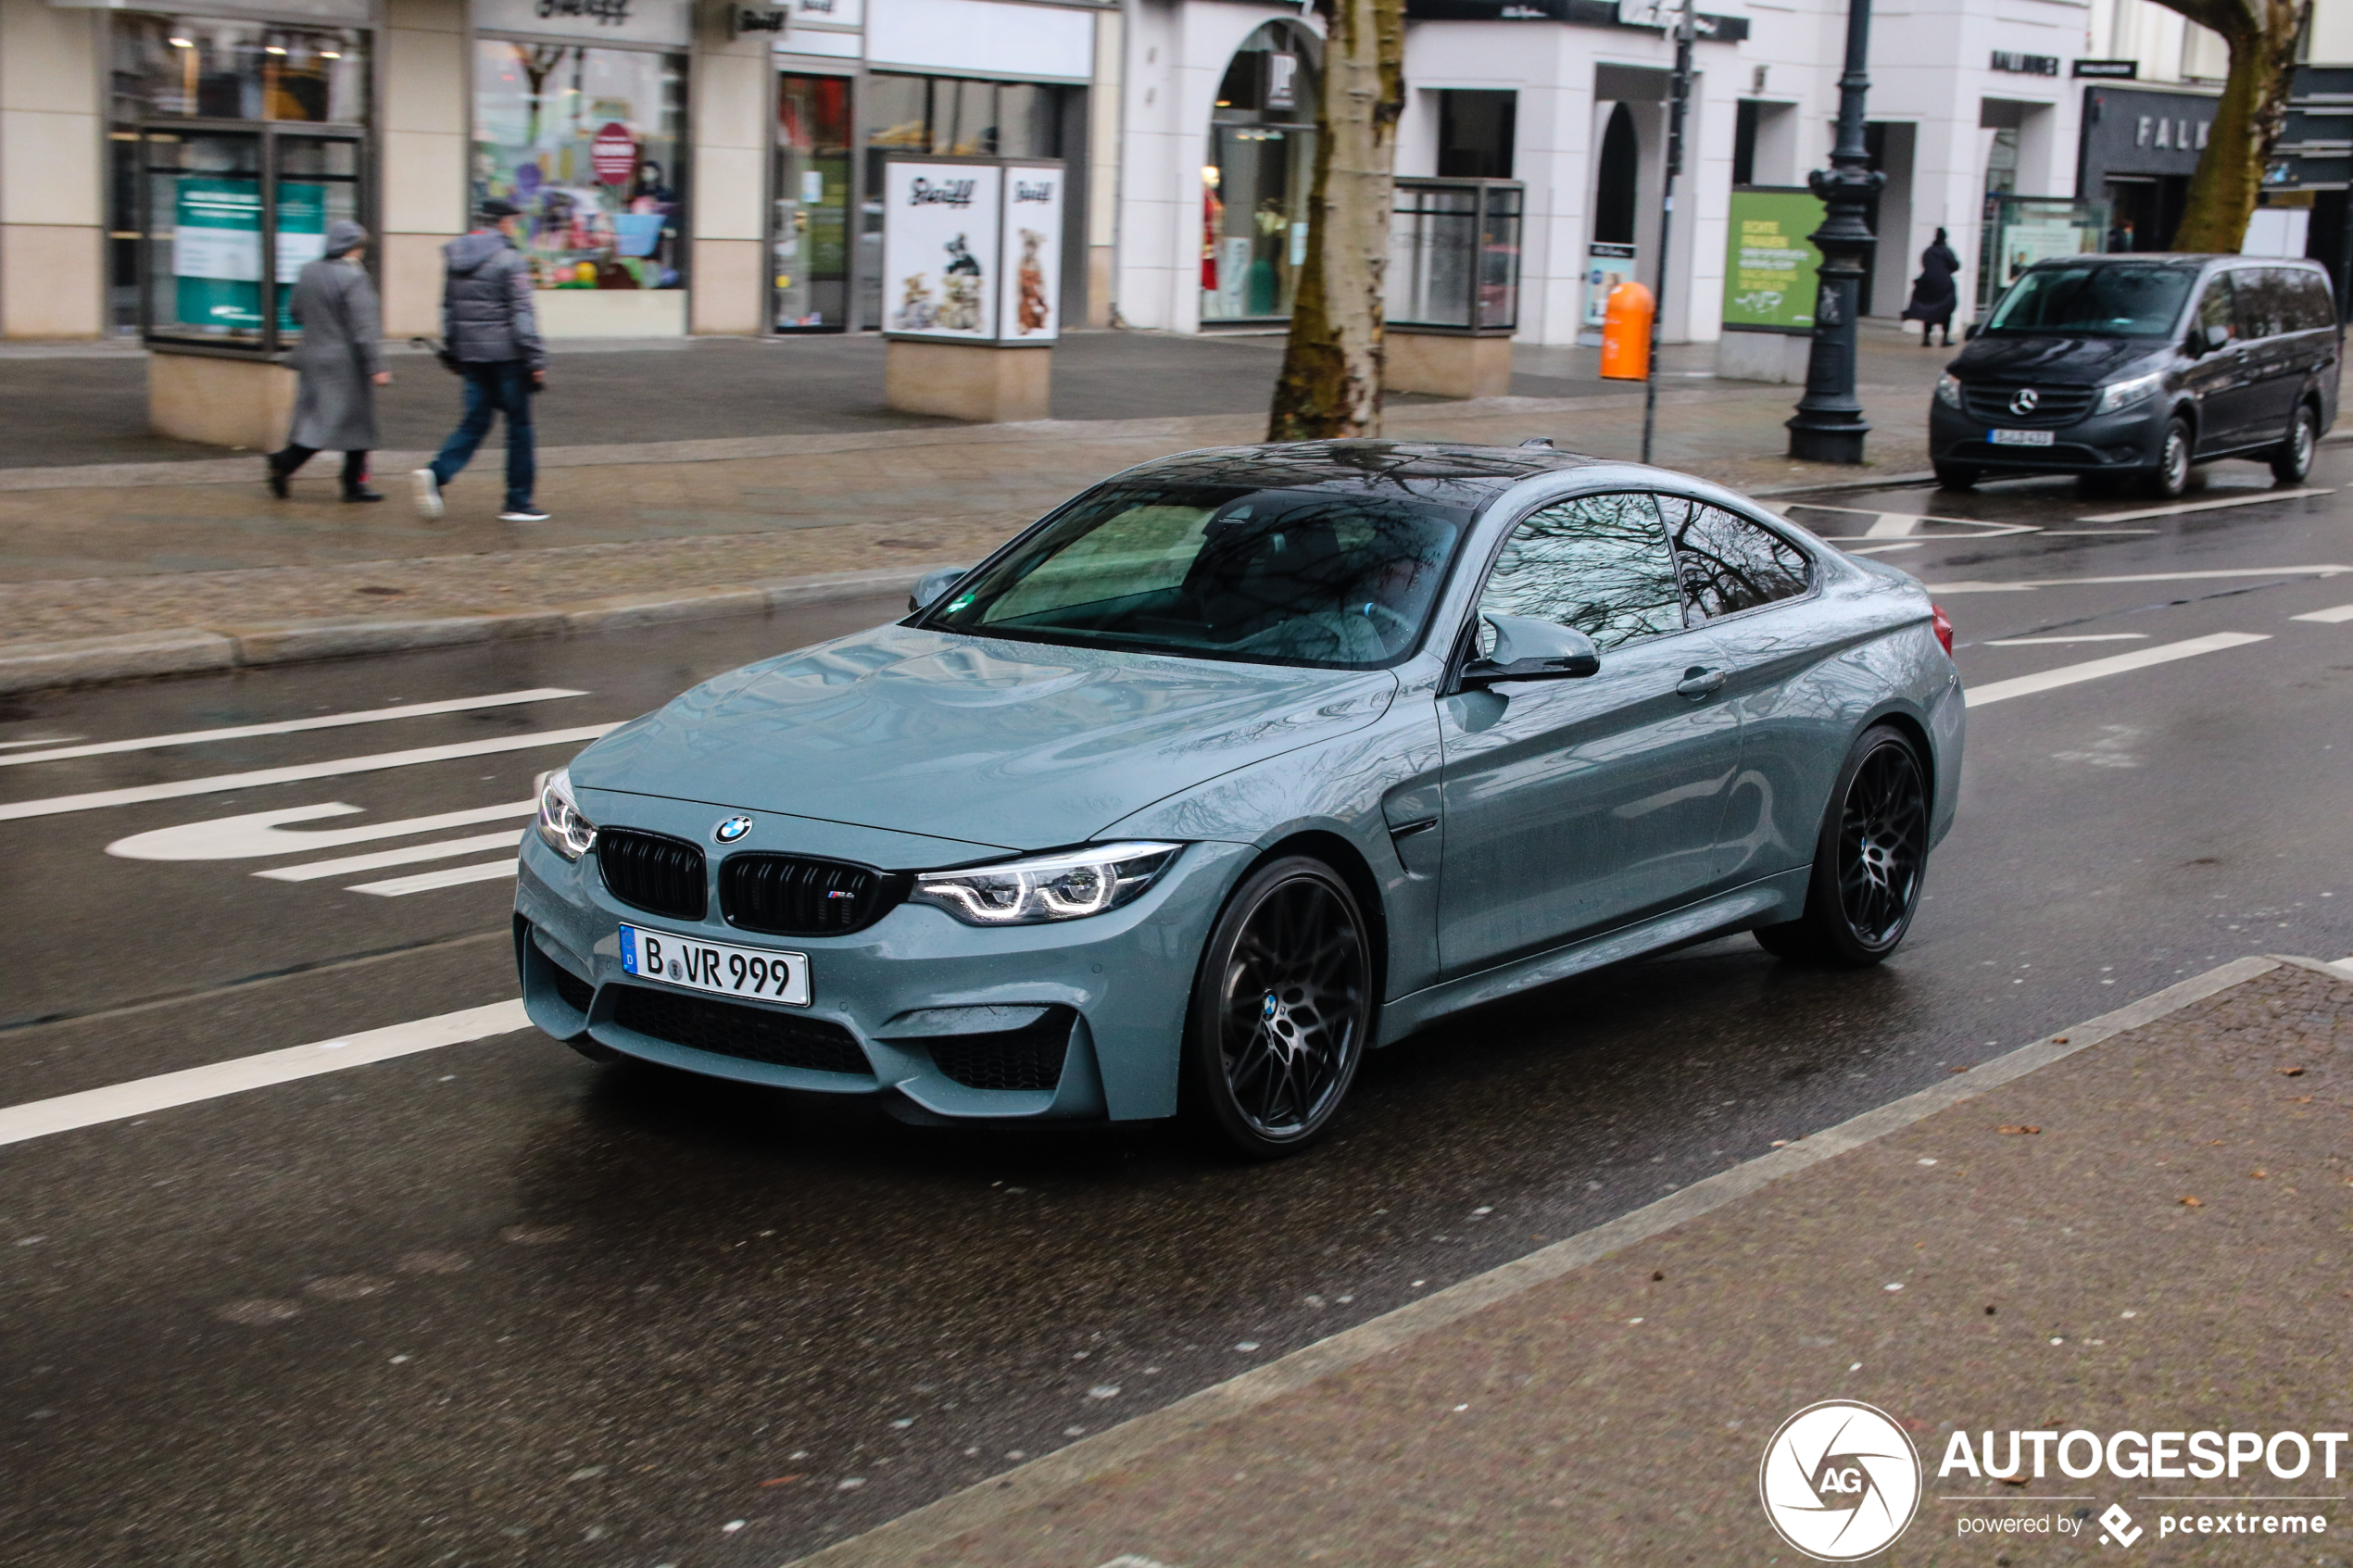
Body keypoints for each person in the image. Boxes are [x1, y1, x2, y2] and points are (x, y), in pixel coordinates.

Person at [414, 198, 548, 523]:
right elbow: (522, 315)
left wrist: (454, 351)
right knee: (519, 427)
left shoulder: (457, 257)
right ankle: (518, 501)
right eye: (512, 221)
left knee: (475, 421)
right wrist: (536, 358)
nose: (514, 227)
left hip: (473, 355)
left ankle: (437, 474)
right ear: (502, 222)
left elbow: (447, 309)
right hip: (507, 357)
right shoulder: (509, 259)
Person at [268, 220, 388, 502]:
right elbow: (365, 329)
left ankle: (352, 483)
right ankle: (285, 463)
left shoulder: (309, 271)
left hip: (312, 356)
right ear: (353, 247)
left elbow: (296, 313)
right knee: (345, 424)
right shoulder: (354, 278)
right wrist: (378, 366)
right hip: (345, 363)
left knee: (322, 420)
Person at [1900, 228, 1963, 347]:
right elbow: (1955, 266)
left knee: (1928, 309)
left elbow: (1924, 264)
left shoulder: (1928, 251)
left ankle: (1926, 338)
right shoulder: (1947, 251)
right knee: (1946, 309)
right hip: (1944, 284)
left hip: (1927, 283)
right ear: (1945, 238)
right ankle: (1945, 338)